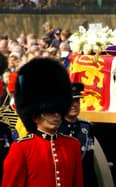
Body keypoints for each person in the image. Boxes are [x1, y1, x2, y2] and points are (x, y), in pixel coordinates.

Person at [1, 57, 83, 187]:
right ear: (35, 116)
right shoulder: (21, 148)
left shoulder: (72, 145)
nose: (56, 115)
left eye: (58, 111)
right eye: (50, 111)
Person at [58, 82, 97, 187]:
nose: (74, 104)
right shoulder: (55, 129)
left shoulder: (87, 127)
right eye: (70, 101)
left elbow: (89, 164)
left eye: (77, 100)